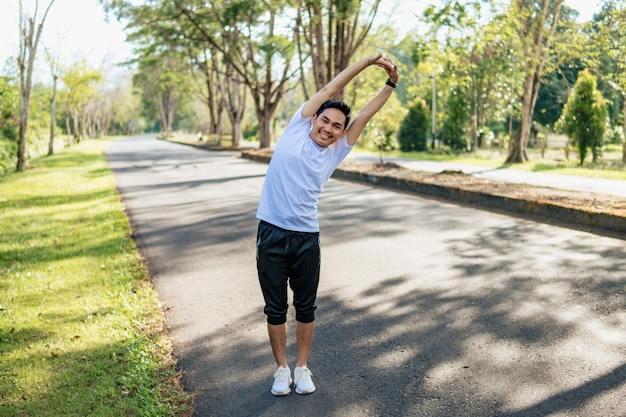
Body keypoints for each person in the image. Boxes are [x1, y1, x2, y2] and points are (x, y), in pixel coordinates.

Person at [255, 53, 399, 396]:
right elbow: (333, 87)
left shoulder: (336, 150)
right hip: (271, 232)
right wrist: (366, 62)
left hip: (307, 236)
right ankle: (281, 370)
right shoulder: (296, 128)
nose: (329, 128)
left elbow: (365, 114)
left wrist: (391, 84)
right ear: (314, 118)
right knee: (275, 307)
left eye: (337, 126)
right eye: (326, 121)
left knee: (305, 307)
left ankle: (302, 368)